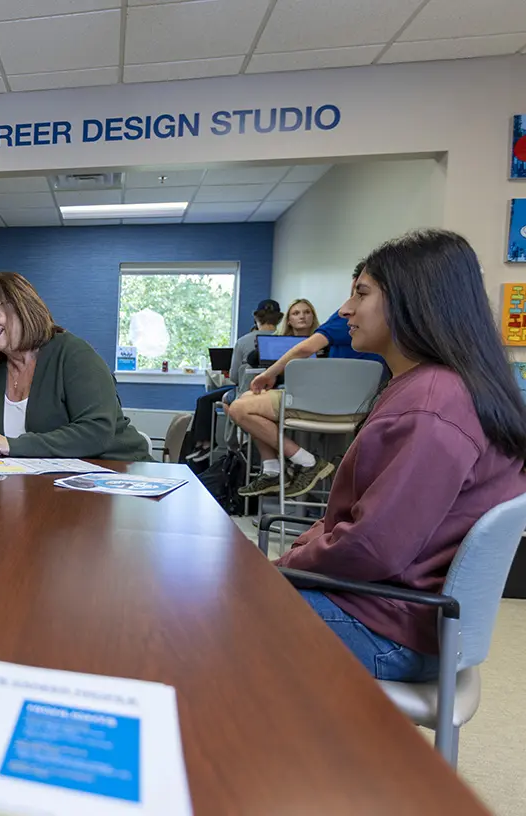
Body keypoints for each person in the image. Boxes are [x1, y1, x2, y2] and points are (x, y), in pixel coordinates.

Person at [276, 230, 526, 681]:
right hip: (400, 611)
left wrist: (285, 563)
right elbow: (366, 520)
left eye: (361, 293)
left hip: (390, 628)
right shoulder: (444, 386)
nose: (345, 310)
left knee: (213, 611)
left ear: (413, 302)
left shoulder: (433, 403)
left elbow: (373, 547)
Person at [229, 265, 385, 499]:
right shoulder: (395, 323)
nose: (348, 306)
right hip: (364, 409)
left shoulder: (346, 319)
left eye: (359, 293)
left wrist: (269, 374)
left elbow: (307, 348)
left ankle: (306, 462)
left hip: (324, 403)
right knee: (248, 402)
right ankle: (275, 469)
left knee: (241, 406)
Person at [0, 272, 149, 461]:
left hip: (121, 474)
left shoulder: (74, 354)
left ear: (21, 306)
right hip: (38, 484)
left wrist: (13, 445)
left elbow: (96, 432)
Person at [183, 299, 283, 463]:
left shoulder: (244, 341)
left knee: (210, 399)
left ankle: (209, 443)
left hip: (247, 391)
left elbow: (235, 377)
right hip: (278, 393)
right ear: (279, 319)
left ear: (256, 319)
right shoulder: (287, 340)